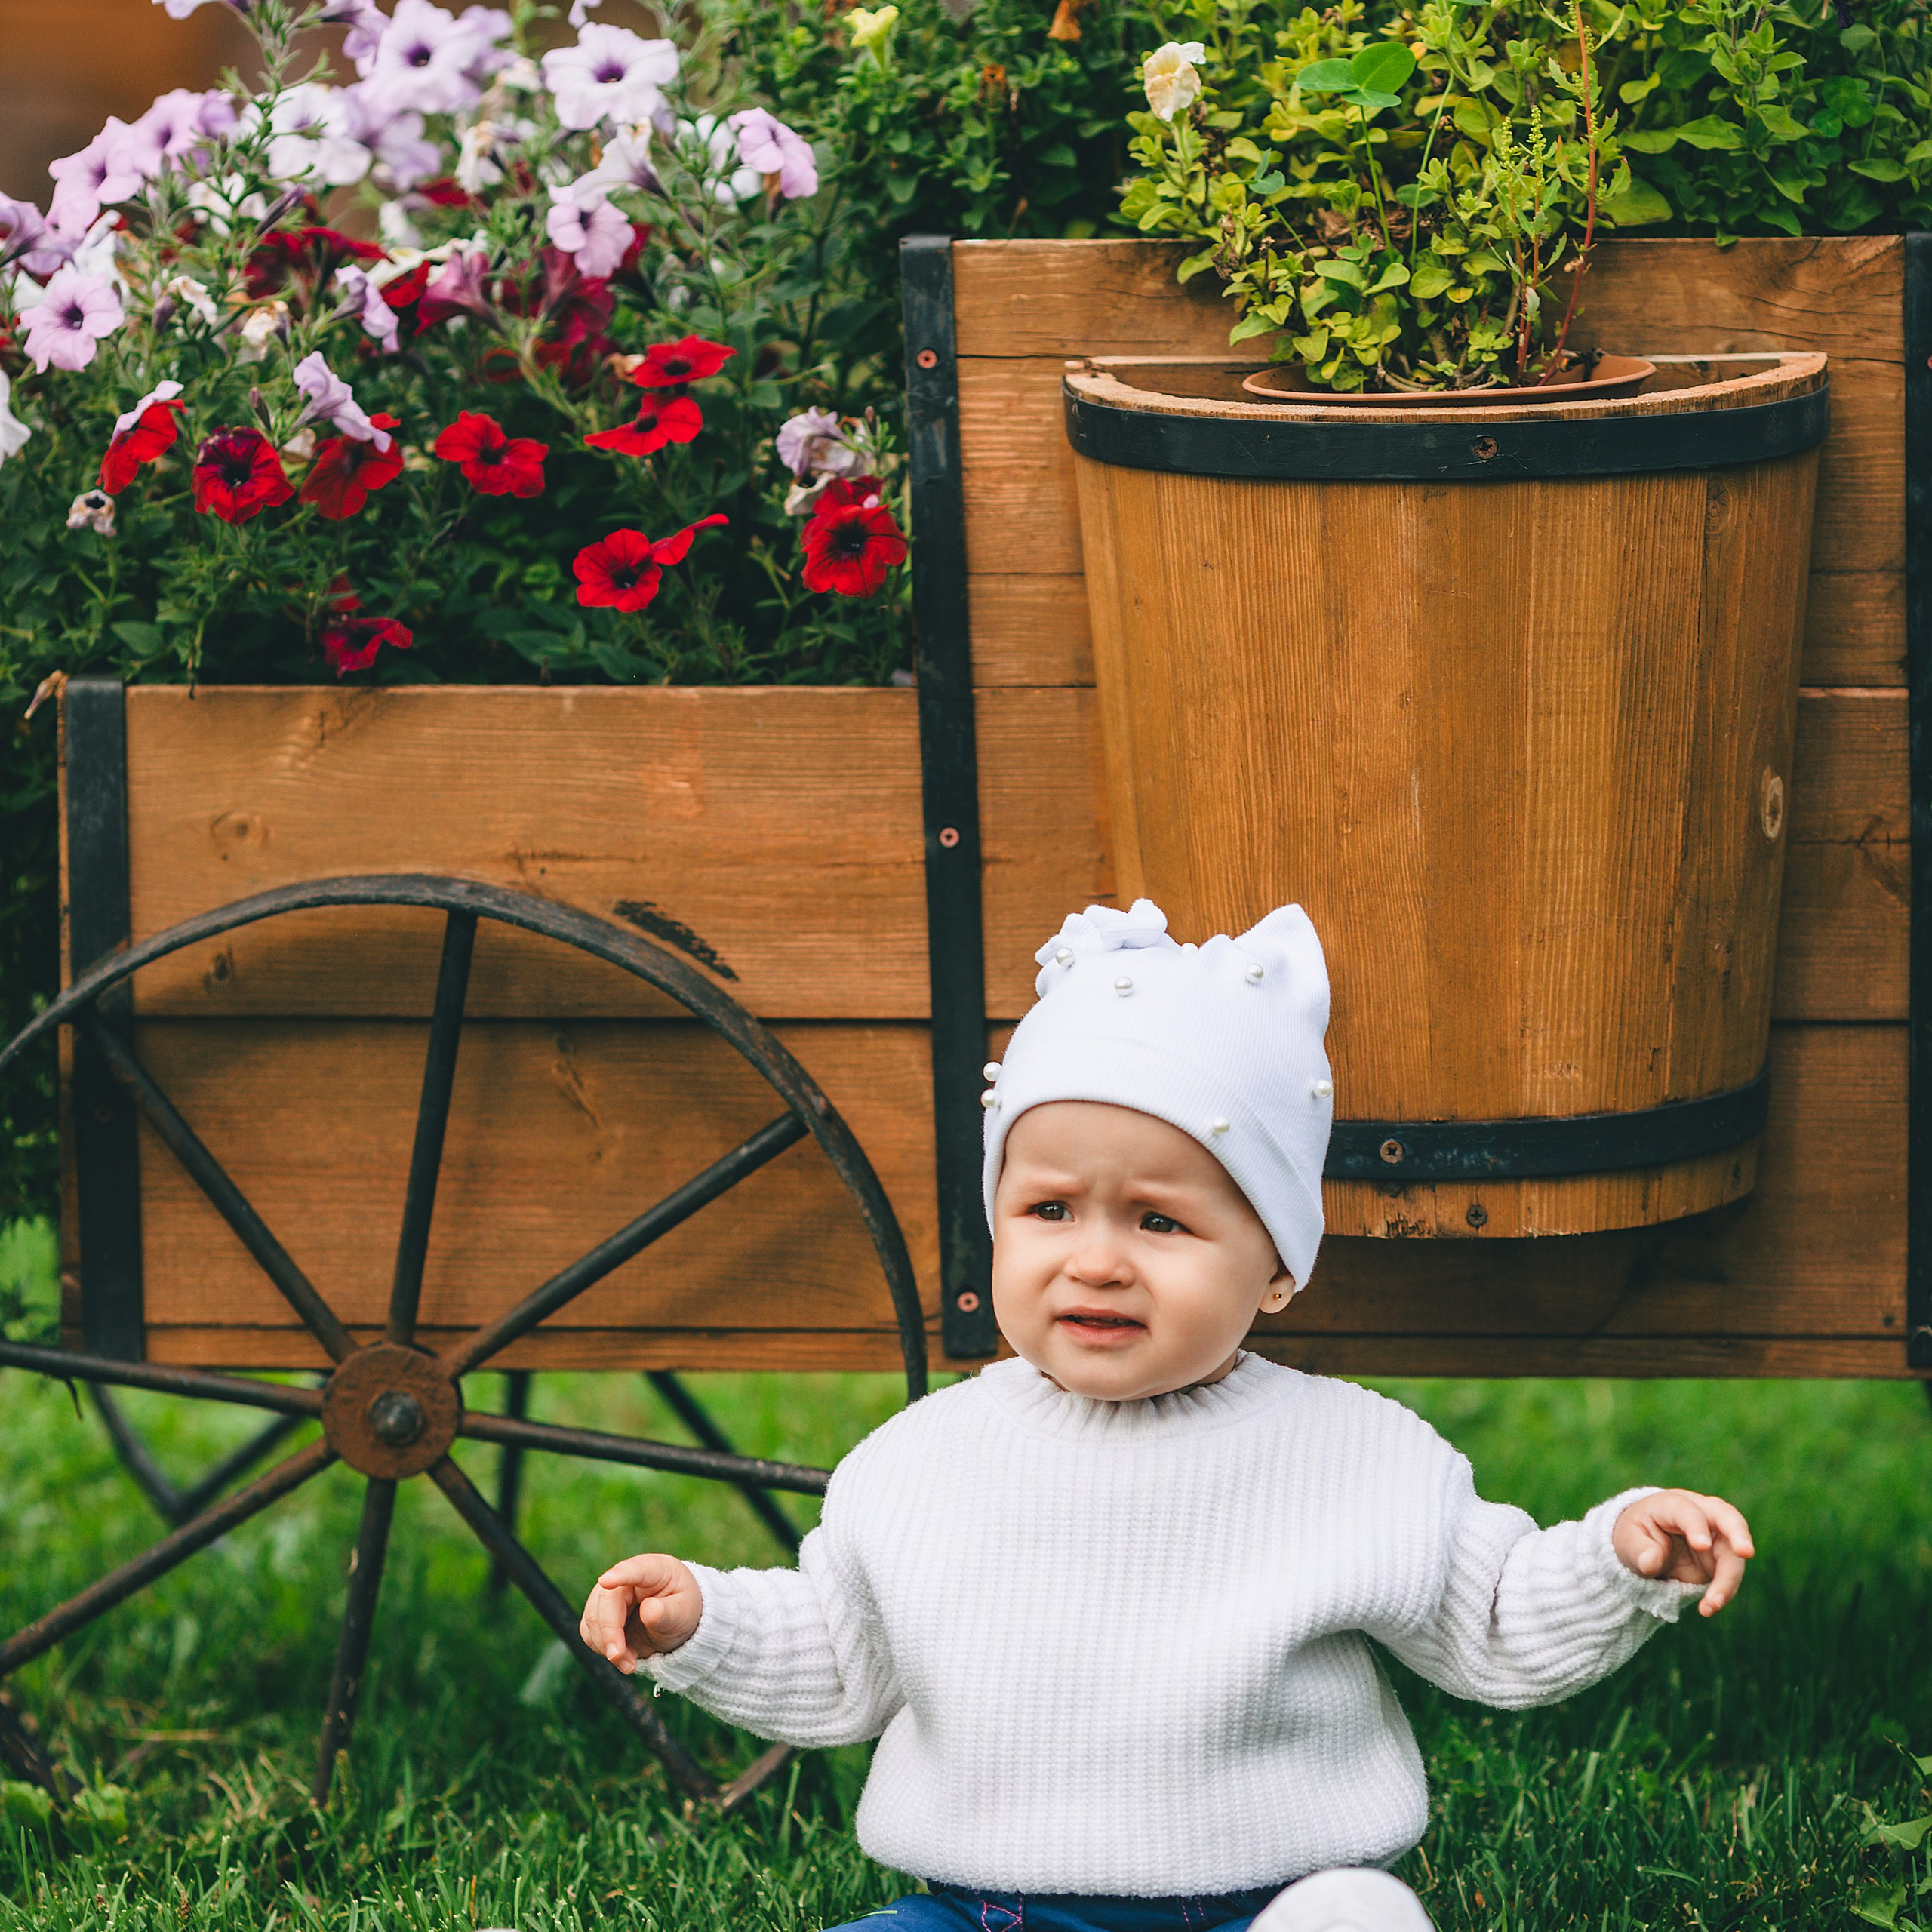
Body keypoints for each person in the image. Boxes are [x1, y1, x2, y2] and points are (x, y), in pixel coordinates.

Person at [580, 899, 1755, 1932]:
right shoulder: (924, 1460)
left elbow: (1492, 1616)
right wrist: (704, 1622)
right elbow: (842, 1652)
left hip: (1263, 1904)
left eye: (1159, 1222)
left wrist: (1618, 1557)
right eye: (1048, 1208)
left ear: (1279, 1264)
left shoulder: (1355, 1457)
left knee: (1354, 1921)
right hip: (984, 1915)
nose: (1096, 1262)